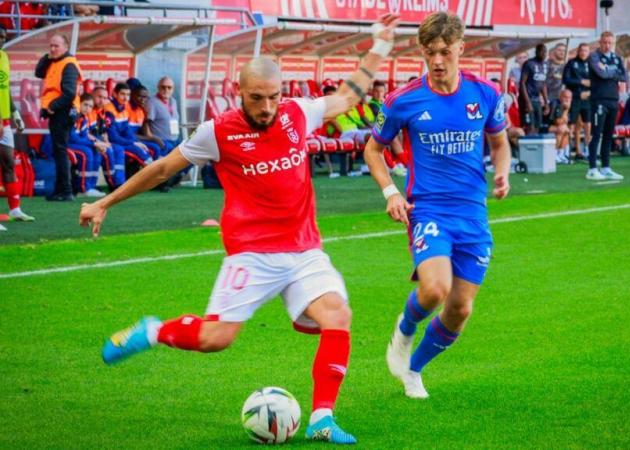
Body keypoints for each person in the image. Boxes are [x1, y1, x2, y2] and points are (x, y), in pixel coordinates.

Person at [78, 14, 399, 445]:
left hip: (304, 251)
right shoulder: (217, 131)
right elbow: (160, 170)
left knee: (339, 315)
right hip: (251, 253)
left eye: (273, 96)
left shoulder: (297, 114)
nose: (266, 107)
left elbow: (349, 94)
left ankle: (322, 418)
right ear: (238, 93)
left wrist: (379, 44)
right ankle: (152, 330)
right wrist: (105, 201)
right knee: (216, 339)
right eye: (256, 98)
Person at [363, 12, 511, 399]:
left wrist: (503, 173)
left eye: (446, 51)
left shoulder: (485, 94)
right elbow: (373, 149)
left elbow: (499, 141)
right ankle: (405, 330)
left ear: (461, 47)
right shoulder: (403, 100)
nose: (439, 60)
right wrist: (390, 192)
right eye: (431, 53)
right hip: (428, 210)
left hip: (473, 215)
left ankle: (414, 370)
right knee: (435, 289)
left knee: (460, 309)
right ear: (422, 52)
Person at [36, 33, 82, 201]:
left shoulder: (68, 64)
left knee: (60, 151)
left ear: (66, 47)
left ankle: (66, 191)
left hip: (63, 111)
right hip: (59, 111)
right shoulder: (55, 61)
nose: (53, 49)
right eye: (51, 46)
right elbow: (39, 73)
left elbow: (69, 93)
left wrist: (51, 107)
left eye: (56, 46)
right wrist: (46, 57)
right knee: (59, 151)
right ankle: (62, 189)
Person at [0, 26, 33, 224]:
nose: (0, 40)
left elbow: (4, 89)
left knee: (9, 163)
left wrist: (15, 113)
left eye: (3, 37)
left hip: (4, 121)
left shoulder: (4, 56)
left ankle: (15, 209)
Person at [587, 31, 626, 181]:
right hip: (599, 100)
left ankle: (606, 167)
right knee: (596, 134)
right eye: (605, 42)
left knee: (609, 135)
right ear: (600, 42)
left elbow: (624, 76)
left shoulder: (617, 58)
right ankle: (591, 169)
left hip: (613, 100)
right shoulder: (594, 56)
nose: (607, 45)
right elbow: (601, 74)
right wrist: (613, 72)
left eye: (610, 43)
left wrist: (609, 70)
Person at [103, 82, 153, 169]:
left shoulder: (124, 108)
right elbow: (113, 137)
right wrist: (133, 143)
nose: (126, 98)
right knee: (141, 154)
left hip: (123, 142)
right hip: (113, 143)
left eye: (128, 95)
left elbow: (127, 131)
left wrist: (136, 142)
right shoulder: (109, 110)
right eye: (122, 94)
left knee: (145, 149)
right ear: (115, 94)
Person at [67, 93, 107, 197]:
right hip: (66, 144)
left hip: (75, 144)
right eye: (85, 104)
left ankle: (91, 186)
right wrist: (94, 143)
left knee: (97, 151)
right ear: (79, 104)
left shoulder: (84, 119)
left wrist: (97, 144)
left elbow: (84, 136)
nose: (87, 108)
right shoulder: (73, 116)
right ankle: (83, 189)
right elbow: (72, 138)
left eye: (90, 106)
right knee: (87, 153)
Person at [90, 86, 125, 189]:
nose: (102, 100)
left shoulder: (104, 112)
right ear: (92, 96)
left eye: (105, 98)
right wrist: (101, 143)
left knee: (118, 149)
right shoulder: (88, 110)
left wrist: (106, 141)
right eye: (99, 97)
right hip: (90, 142)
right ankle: (113, 184)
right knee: (107, 150)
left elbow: (104, 131)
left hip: (100, 141)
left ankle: (120, 182)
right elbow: (85, 132)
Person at [563, 43, 592, 160]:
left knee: (587, 124)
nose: (583, 52)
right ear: (578, 51)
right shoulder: (571, 63)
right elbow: (566, 79)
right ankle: (570, 150)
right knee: (573, 124)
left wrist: (590, 91)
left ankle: (587, 149)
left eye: (586, 50)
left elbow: (597, 80)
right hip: (575, 97)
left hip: (588, 98)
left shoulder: (592, 64)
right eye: (581, 50)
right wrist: (581, 82)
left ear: (589, 52)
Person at [519, 43, 549, 135]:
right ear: (536, 52)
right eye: (541, 51)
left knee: (538, 126)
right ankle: (527, 148)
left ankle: (536, 147)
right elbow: (522, 83)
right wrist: (527, 102)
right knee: (529, 127)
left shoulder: (545, 65)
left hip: (537, 100)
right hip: (527, 100)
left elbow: (543, 84)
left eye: (545, 51)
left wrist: (546, 102)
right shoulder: (529, 64)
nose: (543, 53)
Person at [147, 76, 181, 152]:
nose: (166, 90)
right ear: (158, 88)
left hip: (175, 139)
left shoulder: (174, 101)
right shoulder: (152, 102)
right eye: (163, 87)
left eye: (169, 88)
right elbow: (146, 124)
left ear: (173, 89)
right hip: (162, 142)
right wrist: (153, 139)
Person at [548, 89, 573, 164]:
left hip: (556, 126)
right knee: (561, 129)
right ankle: (554, 155)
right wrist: (566, 110)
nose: (567, 99)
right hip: (545, 126)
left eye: (569, 98)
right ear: (560, 97)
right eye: (565, 97)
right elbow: (557, 122)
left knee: (566, 130)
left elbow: (568, 121)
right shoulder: (556, 104)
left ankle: (561, 154)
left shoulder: (570, 105)